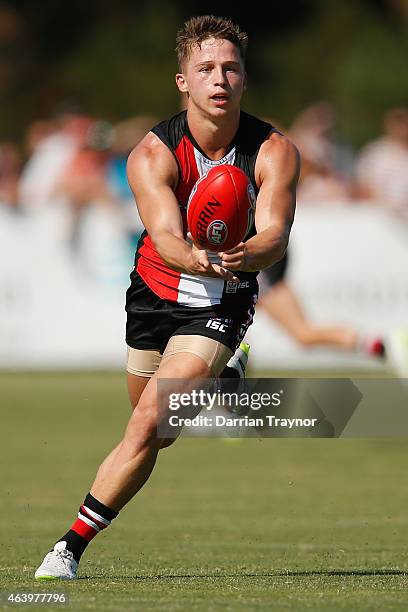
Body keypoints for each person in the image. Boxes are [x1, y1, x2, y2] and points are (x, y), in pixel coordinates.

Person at [35, 14, 300, 580]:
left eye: (230, 68)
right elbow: (165, 237)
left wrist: (247, 257)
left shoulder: (274, 149)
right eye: (205, 68)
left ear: (245, 78)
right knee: (160, 431)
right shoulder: (152, 154)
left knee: (146, 424)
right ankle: (227, 382)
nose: (219, 79)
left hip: (222, 299)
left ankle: (68, 549)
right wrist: (196, 256)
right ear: (183, 80)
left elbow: (275, 234)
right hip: (155, 294)